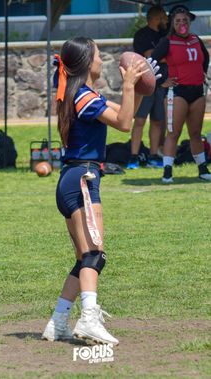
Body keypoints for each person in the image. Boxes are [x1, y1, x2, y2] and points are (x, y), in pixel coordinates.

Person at [42, 37, 158, 345]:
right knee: (95, 254)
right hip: (82, 177)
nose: (101, 60)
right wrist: (131, 84)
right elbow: (123, 124)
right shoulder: (83, 97)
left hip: (75, 177)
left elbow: (126, 113)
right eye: (97, 55)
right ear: (85, 64)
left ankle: (58, 322)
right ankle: (89, 319)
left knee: (84, 259)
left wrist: (144, 86)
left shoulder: (83, 94)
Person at [152, 4, 211, 183]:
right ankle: (167, 172)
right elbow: (151, 63)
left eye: (185, 20)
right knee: (173, 133)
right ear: (172, 23)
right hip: (177, 93)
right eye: (178, 21)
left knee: (195, 132)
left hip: (197, 92)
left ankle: (202, 169)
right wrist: (162, 82)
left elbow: (205, 59)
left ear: (190, 21)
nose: (182, 23)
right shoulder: (167, 41)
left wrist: (200, 75)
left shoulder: (196, 39)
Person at [127, 5, 173, 169]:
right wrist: (166, 55)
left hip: (162, 85)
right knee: (139, 121)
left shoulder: (165, 35)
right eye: (164, 17)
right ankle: (134, 156)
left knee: (157, 121)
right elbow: (150, 55)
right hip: (145, 85)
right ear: (155, 18)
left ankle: (153, 156)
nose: (166, 21)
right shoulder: (142, 35)